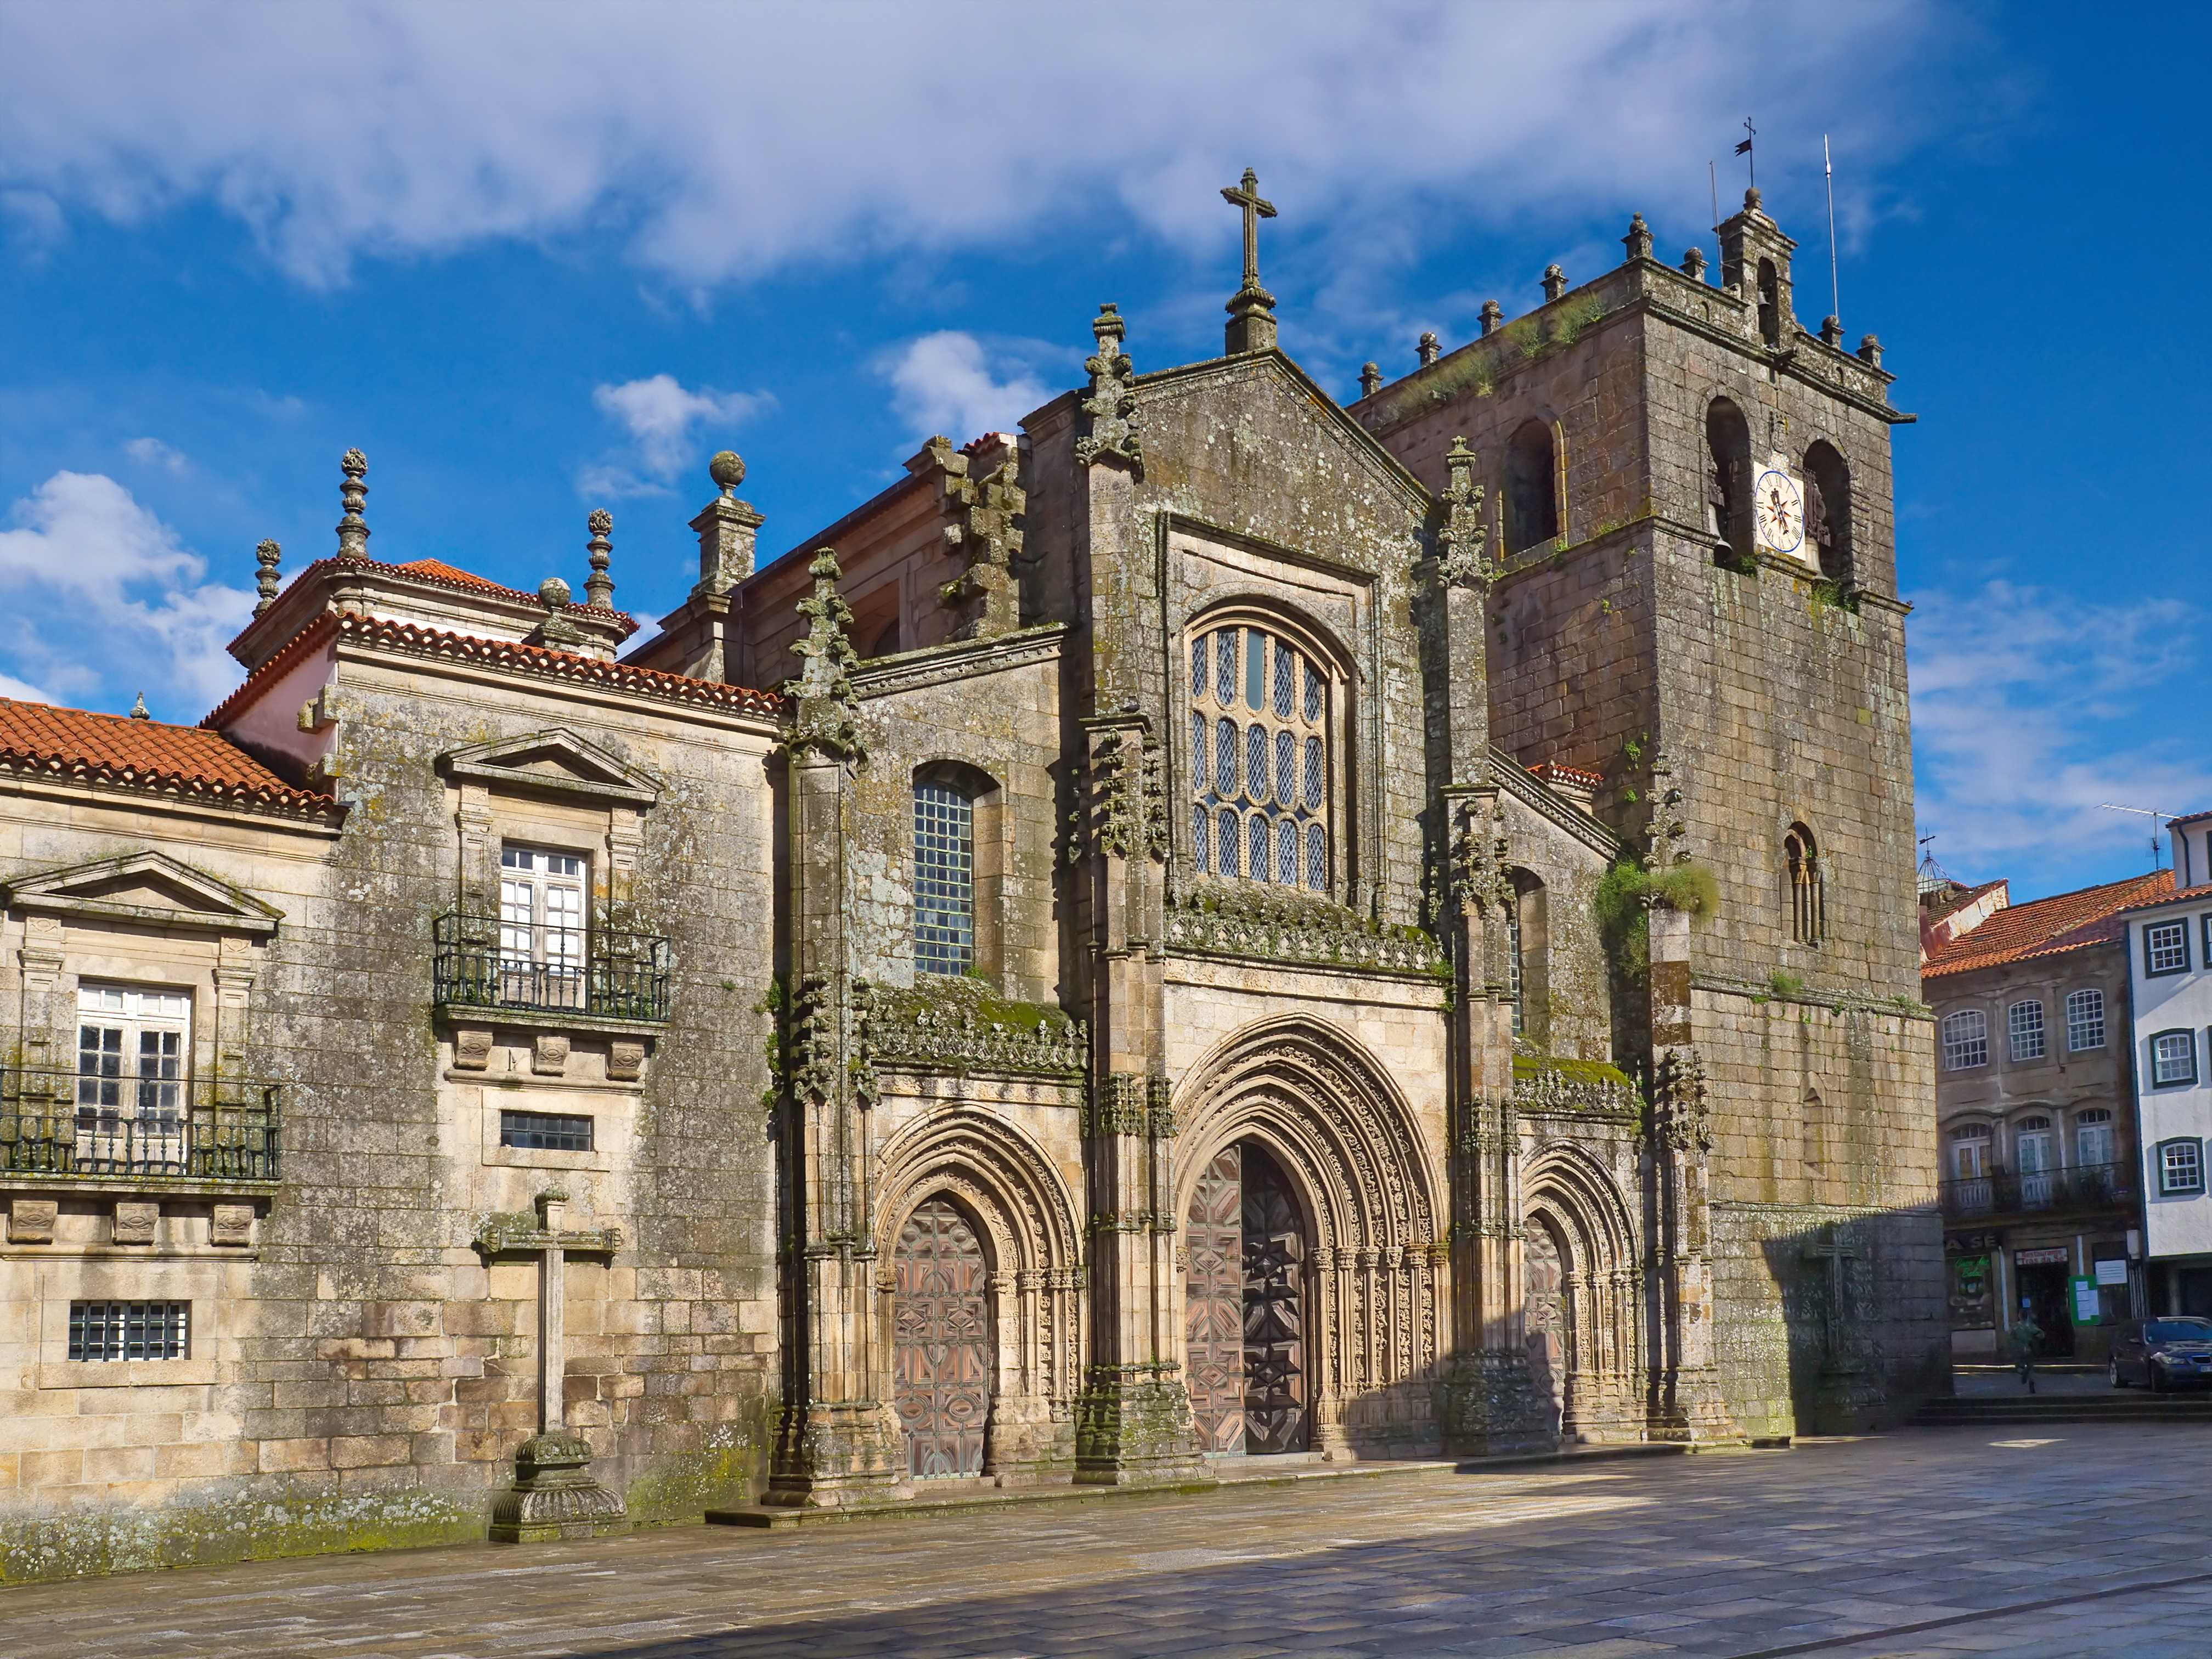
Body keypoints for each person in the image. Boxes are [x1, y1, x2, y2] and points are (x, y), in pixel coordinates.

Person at [2009, 1313, 2044, 1393]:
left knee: (2018, 1366)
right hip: (2029, 1349)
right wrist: (2034, 1339)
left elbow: (2011, 1338)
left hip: (2019, 1349)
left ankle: (2023, 1372)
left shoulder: (2015, 1326)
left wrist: (2011, 1348)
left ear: (2019, 1316)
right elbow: (2041, 1334)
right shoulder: (2030, 1325)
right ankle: (2031, 1383)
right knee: (2030, 1366)